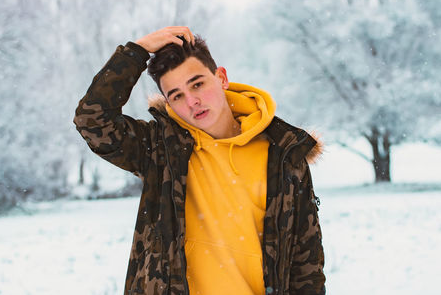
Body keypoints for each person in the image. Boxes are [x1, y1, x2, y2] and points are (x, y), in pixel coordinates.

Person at [73, 26, 325, 295]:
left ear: (221, 78)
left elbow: (306, 264)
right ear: (169, 104)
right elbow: (93, 120)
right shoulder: (161, 150)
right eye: (177, 95)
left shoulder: (285, 154)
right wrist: (137, 51)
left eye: (198, 84)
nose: (192, 101)